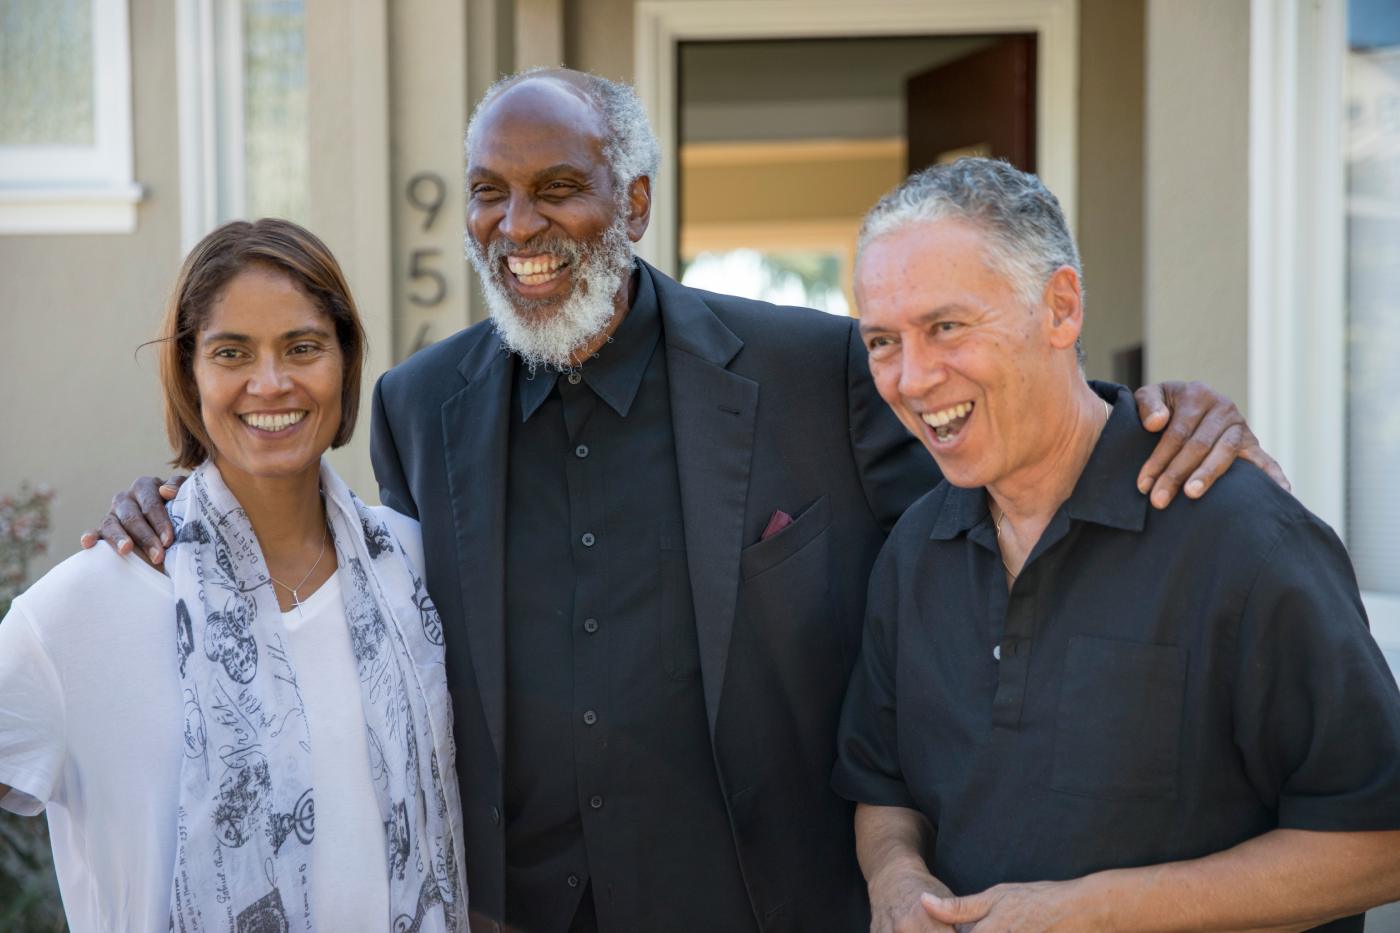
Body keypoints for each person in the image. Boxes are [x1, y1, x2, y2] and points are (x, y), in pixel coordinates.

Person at [92, 71, 1284, 933]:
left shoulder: (815, 370)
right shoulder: (417, 404)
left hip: (772, 904)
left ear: (636, 201)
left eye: (559, 187)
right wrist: (178, 492)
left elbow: (996, 449)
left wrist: (1154, 413)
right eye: (488, 195)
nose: (519, 228)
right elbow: (343, 575)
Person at [834, 158, 1400, 933]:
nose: (912, 376)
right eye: (882, 341)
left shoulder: (1246, 540)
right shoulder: (912, 550)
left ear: (1061, 308)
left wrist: (1087, 913)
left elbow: (1382, 840)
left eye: (946, 327)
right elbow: (883, 780)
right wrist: (898, 884)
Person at [0, 219, 467, 932]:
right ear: (190, 373)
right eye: (231, 352)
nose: (271, 381)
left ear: (345, 359)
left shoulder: (414, 565)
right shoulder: (82, 610)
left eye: (303, 347)